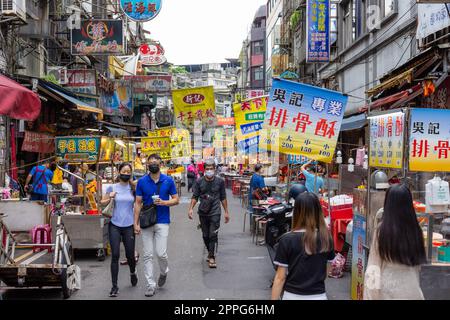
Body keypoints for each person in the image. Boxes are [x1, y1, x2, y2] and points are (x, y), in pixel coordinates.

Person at [364, 184, 426, 300]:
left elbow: (374, 269)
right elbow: (418, 268)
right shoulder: (417, 230)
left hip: (388, 293)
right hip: (413, 292)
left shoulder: (382, 231)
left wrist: (370, 297)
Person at [271, 192, 335, 300]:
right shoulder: (326, 238)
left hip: (291, 296)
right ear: (318, 211)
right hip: (319, 296)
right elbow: (327, 271)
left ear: (296, 212)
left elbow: (280, 278)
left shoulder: (287, 239)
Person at [134, 153, 180, 297]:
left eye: (155, 161)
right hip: (146, 222)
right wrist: (135, 223)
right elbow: (138, 203)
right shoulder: (141, 182)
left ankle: (163, 271)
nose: (153, 164)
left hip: (162, 220)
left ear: (160, 164)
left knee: (161, 253)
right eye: (150, 162)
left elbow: (176, 199)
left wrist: (164, 202)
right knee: (147, 255)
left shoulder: (168, 180)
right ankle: (150, 285)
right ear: (147, 165)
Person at [101, 163, 138, 297]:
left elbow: (139, 205)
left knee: (129, 255)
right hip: (114, 225)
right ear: (118, 172)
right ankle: (114, 286)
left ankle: (133, 272)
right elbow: (102, 202)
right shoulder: (112, 187)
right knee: (115, 255)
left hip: (129, 226)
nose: (126, 173)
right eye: (124, 171)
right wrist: (110, 196)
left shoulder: (133, 188)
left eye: (129, 171)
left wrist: (136, 224)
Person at [188, 159, 230, 268]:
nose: (209, 171)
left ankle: (212, 257)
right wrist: (191, 209)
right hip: (203, 212)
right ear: (204, 169)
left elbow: (223, 198)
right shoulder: (199, 182)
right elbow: (195, 197)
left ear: (215, 169)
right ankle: (210, 251)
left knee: (212, 234)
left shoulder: (220, 182)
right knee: (205, 235)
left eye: (211, 168)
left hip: (215, 212)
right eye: (207, 169)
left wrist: (226, 212)